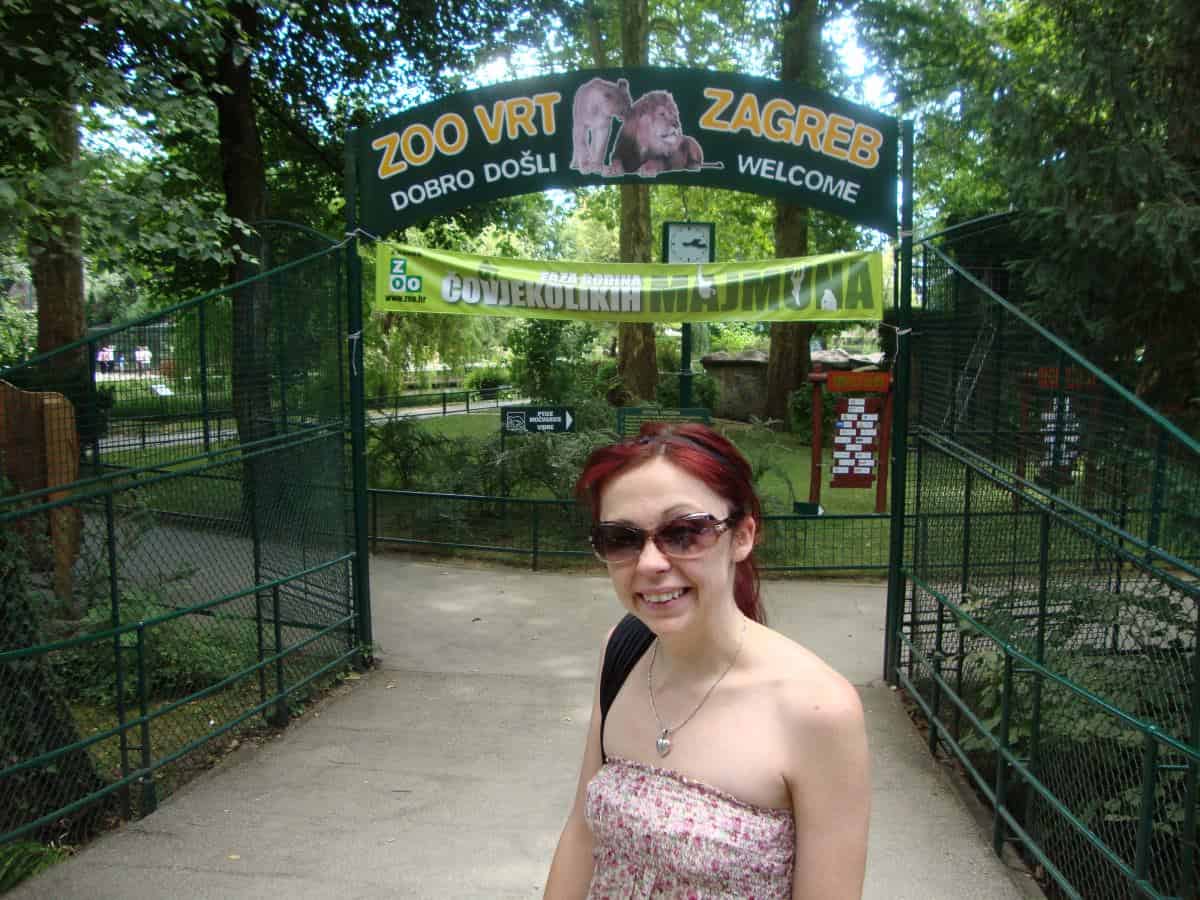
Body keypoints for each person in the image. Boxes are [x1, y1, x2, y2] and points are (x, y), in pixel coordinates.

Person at [544, 423, 870, 899]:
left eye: (685, 532)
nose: (650, 563)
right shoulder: (624, 650)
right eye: (622, 538)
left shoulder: (817, 709)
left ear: (742, 536)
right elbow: (582, 832)